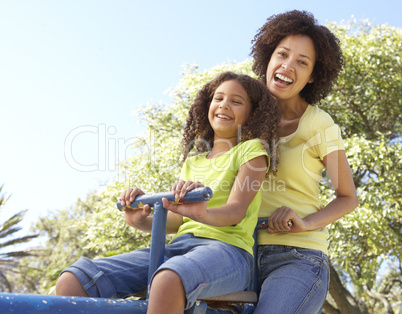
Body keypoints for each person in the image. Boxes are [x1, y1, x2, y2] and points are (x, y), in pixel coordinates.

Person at [55, 71, 280, 314]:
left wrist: (202, 213)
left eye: (236, 101)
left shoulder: (251, 150)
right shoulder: (193, 162)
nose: (224, 105)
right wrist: (141, 220)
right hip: (180, 247)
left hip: (228, 251)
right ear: (208, 105)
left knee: (167, 278)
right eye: (218, 98)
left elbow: (236, 210)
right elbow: (176, 220)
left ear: (252, 114)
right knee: (74, 281)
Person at [249, 10, 359, 313]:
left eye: (302, 62)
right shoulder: (244, 115)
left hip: (298, 257)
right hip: (240, 251)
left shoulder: (318, 124)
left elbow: (348, 197)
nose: (287, 66)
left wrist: (306, 223)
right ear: (268, 58)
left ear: (312, 76)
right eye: (282, 54)